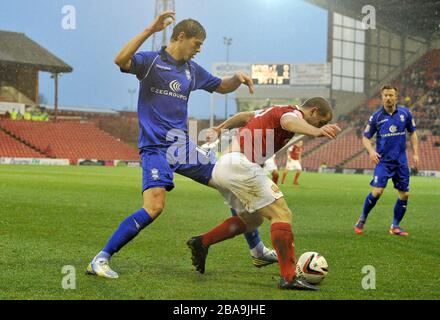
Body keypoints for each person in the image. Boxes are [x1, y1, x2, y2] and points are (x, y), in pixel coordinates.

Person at [87, 11, 276, 279]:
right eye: (197, 44)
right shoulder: (151, 62)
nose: (198, 50)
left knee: (230, 181)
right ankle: (100, 259)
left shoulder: (191, 70)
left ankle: (257, 250)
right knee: (154, 208)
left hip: (182, 147)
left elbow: (221, 86)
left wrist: (237, 78)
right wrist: (151, 29)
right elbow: (120, 60)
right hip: (155, 148)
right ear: (181, 37)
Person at [187, 97, 341, 290]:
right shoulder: (292, 114)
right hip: (239, 165)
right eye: (322, 121)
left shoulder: (273, 109)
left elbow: (245, 116)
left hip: (223, 166)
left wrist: (220, 128)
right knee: (282, 214)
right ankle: (288, 277)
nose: (322, 125)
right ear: (313, 111)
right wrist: (317, 131)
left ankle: (202, 242)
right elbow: (288, 121)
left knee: (252, 221)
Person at [354, 85, 419, 236]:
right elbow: (365, 137)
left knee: (405, 195)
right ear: (382, 97)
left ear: (396, 97)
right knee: (377, 192)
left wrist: (415, 153)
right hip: (383, 162)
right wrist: (371, 151)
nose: (388, 98)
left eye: (391, 95)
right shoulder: (376, 117)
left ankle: (395, 226)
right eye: (386, 95)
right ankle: (362, 219)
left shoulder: (405, 113)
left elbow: (413, 133)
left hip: (401, 162)